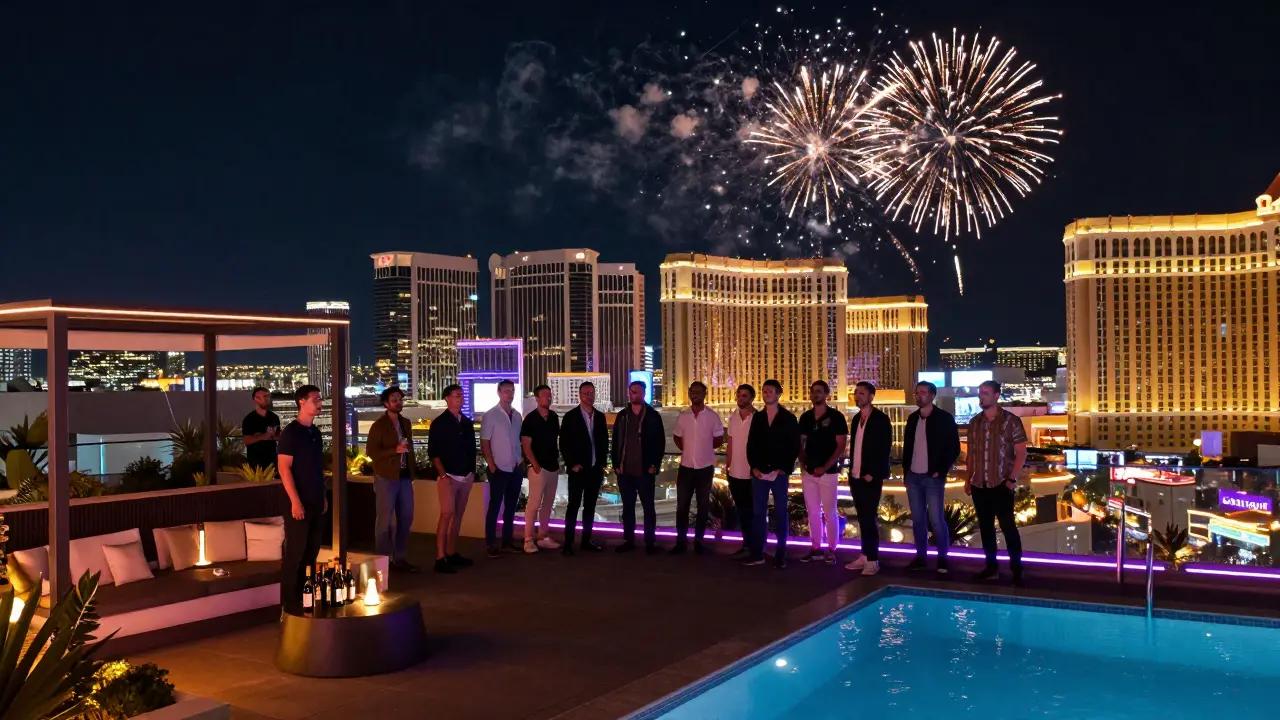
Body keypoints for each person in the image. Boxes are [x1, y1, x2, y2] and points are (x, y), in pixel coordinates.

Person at [965, 380, 1029, 586]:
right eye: (980, 392)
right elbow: (971, 455)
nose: (981, 396)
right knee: (985, 528)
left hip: (1001, 483)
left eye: (985, 393)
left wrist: (1011, 480)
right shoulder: (974, 423)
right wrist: (968, 479)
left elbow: (1021, 453)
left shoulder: (1011, 421)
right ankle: (991, 566)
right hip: (979, 485)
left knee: (1008, 527)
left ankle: (1017, 569)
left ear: (997, 395)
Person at [902, 380, 961, 574]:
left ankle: (943, 558)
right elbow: (907, 448)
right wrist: (906, 472)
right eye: (917, 392)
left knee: (936, 519)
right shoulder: (912, 419)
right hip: (913, 476)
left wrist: (940, 470)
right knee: (917, 519)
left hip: (933, 477)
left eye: (923, 392)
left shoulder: (944, 419)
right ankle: (921, 557)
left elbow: (954, 448)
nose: (918, 395)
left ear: (932, 396)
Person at [277, 385, 327, 613]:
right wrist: (295, 502)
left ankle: (304, 597)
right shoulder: (291, 433)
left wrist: (323, 495)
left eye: (320, 399)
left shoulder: (314, 433)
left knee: (312, 552)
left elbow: (317, 468)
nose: (320, 402)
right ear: (302, 402)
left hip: (316, 500)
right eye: (316, 399)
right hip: (299, 501)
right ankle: (288, 604)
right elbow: (284, 469)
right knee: (295, 553)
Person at [744, 379, 800, 569]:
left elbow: (794, 446)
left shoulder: (788, 418)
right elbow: (751, 445)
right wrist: (754, 468)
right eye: (764, 391)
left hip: (779, 473)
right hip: (759, 473)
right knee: (758, 514)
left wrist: (783, 468)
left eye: (770, 391)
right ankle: (758, 553)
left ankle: (780, 554)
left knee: (780, 514)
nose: (766, 393)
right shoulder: (757, 418)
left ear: (778, 394)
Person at [366, 386, 419, 573]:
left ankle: (400, 558)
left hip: (404, 477)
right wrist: (394, 450)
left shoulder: (406, 422)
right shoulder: (379, 425)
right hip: (386, 477)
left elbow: (409, 447)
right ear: (386, 404)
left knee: (406, 517)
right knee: (385, 521)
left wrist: (412, 471)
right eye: (394, 399)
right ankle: (382, 560)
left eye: (400, 398)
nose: (398, 402)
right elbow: (371, 452)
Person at [611, 380, 666, 554]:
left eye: (640, 392)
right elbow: (615, 442)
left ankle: (650, 542)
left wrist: (654, 465)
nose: (637, 395)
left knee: (648, 507)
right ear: (629, 393)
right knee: (628, 507)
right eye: (634, 392)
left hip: (645, 470)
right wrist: (615, 464)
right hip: (625, 470)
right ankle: (629, 540)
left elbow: (660, 442)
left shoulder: (652, 415)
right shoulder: (622, 415)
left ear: (644, 394)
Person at [427, 384, 476, 574]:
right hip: (448, 476)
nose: (460, 398)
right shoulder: (439, 423)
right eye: (456, 396)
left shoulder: (466, 422)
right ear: (447, 398)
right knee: (446, 514)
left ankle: (451, 552)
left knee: (458, 516)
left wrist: (471, 472)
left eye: (461, 395)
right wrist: (442, 474)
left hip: (466, 475)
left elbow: (471, 448)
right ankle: (440, 557)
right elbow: (434, 452)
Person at [797, 380, 848, 565]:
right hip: (808, 473)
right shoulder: (805, 418)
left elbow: (841, 445)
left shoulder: (836, 417)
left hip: (829, 472)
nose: (815, 394)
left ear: (826, 394)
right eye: (813, 392)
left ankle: (832, 549)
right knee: (812, 512)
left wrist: (825, 467)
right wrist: (803, 464)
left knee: (830, 512)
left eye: (819, 391)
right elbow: (800, 443)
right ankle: (815, 547)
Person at [671, 381, 725, 555]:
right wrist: (689, 450)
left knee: (703, 507)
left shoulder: (713, 416)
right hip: (686, 468)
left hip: (705, 468)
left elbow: (718, 439)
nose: (695, 394)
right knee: (682, 506)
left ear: (704, 394)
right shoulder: (683, 416)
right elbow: (677, 437)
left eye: (699, 392)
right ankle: (681, 542)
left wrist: (704, 450)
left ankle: (699, 542)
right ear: (689, 393)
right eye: (692, 391)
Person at [844, 381, 892, 576]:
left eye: (862, 393)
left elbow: (884, 447)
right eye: (856, 393)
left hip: (870, 477)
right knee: (862, 517)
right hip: (855, 475)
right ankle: (864, 555)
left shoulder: (880, 419)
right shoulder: (856, 419)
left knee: (869, 517)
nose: (857, 396)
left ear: (872, 396)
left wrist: (873, 472)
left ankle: (872, 559)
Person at [558, 381, 609, 556]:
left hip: (595, 469)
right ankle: (569, 543)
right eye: (586, 393)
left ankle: (586, 541)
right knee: (573, 507)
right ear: (580, 395)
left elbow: (603, 442)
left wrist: (602, 463)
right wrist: (572, 464)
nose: (589, 396)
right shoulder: (570, 417)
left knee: (590, 507)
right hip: (578, 470)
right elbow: (564, 443)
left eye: (592, 393)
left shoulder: (600, 417)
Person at [480, 379, 524, 559]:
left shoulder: (517, 415)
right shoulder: (490, 415)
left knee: (511, 507)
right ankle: (491, 543)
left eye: (512, 391)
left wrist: (521, 459)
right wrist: (491, 464)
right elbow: (484, 442)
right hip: (499, 468)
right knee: (495, 506)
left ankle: (507, 541)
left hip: (516, 466)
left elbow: (518, 440)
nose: (509, 394)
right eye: (506, 391)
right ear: (498, 392)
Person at [520, 384, 561, 553]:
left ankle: (543, 536)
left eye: (550, 395)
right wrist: (535, 465)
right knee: (534, 504)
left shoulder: (553, 417)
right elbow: (526, 444)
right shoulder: (530, 419)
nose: (549, 397)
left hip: (553, 466)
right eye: (545, 395)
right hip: (538, 468)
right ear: (537, 398)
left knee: (548, 504)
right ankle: (528, 539)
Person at [724, 384, 757, 561]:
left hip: (752, 473)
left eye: (744, 396)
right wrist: (727, 465)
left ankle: (757, 547)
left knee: (754, 511)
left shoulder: (758, 418)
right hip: (735, 472)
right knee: (742, 511)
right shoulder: (733, 418)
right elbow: (730, 443)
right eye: (739, 395)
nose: (741, 399)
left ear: (752, 398)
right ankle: (746, 544)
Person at [241, 387, 281, 472]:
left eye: (267, 396)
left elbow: (278, 435)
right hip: (256, 461)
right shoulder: (249, 419)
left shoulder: (274, 417)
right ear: (255, 399)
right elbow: (246, 440)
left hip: (272, 459)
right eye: (264, 396)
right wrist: (263, 436)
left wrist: (278, 436)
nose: (266, 399)